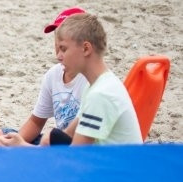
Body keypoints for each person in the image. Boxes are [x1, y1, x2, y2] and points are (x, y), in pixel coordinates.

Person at [0, 7, 89, 147]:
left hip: (73, 145)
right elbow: (36, 122)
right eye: (56, 37)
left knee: (49, 140)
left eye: (64, 42)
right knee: (1, 134)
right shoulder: (54, 74)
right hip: (58, 140)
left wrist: (23, 147)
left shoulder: (90, 79)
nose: (58, 48)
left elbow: (79, 143)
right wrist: (14, 143)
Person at [50, 13, 141, 145]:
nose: (58, 56)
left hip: (116, 165)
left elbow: (76, 155)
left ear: (86, 48)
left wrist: (25, 148)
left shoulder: (100, 94)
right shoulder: (98, 84)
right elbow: (68, 134)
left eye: (63, 49)